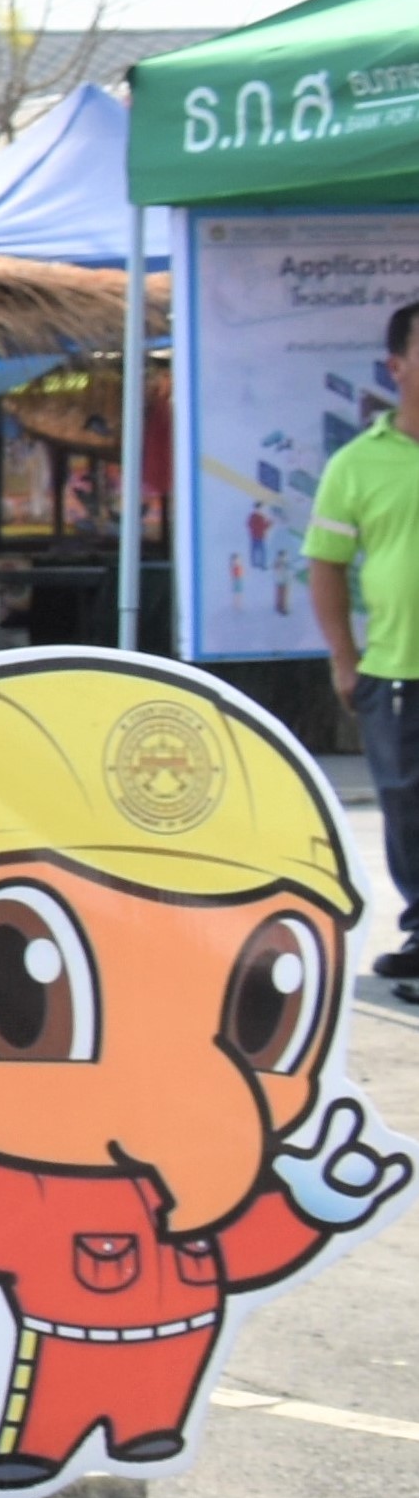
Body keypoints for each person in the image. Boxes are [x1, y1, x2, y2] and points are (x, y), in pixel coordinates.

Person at [306, 300, 419, 1008]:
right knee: (406, 810)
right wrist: (343, 659)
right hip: (395, 669)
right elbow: (325, 563)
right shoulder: (355, 464)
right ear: (395, 366)